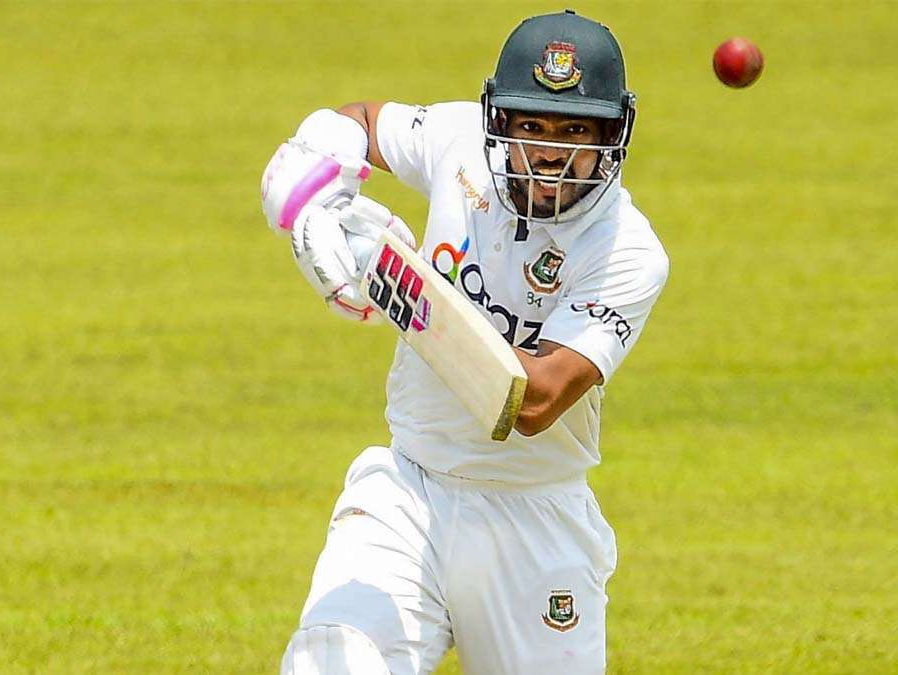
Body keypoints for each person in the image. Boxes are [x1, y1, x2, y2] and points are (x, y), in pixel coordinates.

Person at [261, 9, 668, 674]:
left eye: (575, 130)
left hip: (534, 521)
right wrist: (314, 169)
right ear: (499, 121)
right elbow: (364, 122)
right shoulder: (460, 144)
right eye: (531, 125)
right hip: (409, 488)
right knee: (331, 659)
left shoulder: (627, 250)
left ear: (611, 135)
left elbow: (531, 401)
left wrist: (388, 273)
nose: (550, 151)